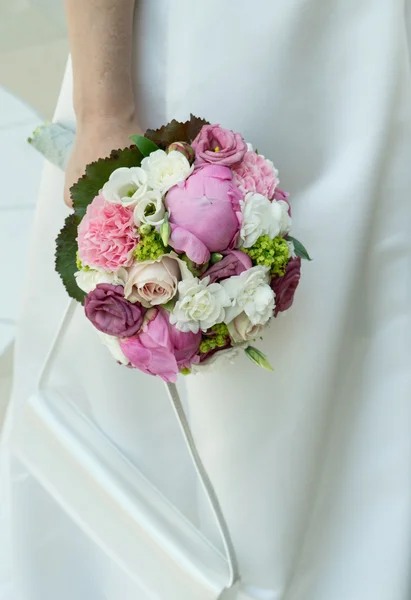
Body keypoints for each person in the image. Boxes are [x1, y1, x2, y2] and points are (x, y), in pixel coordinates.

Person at [1, 0, 411, 598]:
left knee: (360, 384)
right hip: (207, 56)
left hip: (367, 64)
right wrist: (103, 113)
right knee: (176, 410)